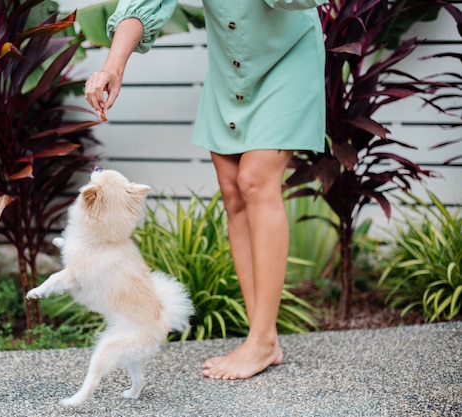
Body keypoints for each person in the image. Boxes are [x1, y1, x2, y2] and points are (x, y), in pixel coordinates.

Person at [84, 0, 326, 380]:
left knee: (255, 182)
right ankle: (264, 337)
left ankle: (261, 342)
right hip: (231, 66)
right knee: (233, 193)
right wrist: (113, 67)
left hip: (288, 58)